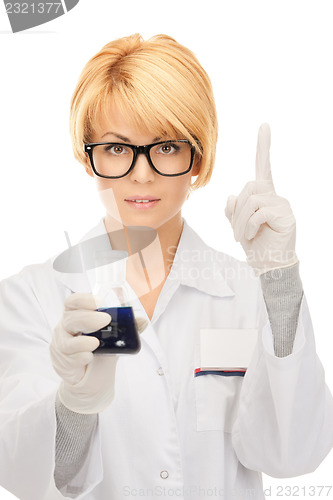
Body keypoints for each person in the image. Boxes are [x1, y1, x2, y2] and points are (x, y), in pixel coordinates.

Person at [0, 33, 332, 500]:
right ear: (87, 155)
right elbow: (33, 474)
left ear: (197, 156)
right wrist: (75, 404)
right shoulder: (31, 297)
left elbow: (293, 454)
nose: (141, 173)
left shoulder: (245, 293)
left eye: (166, 145)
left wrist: (279, 281)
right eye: (117, 148)